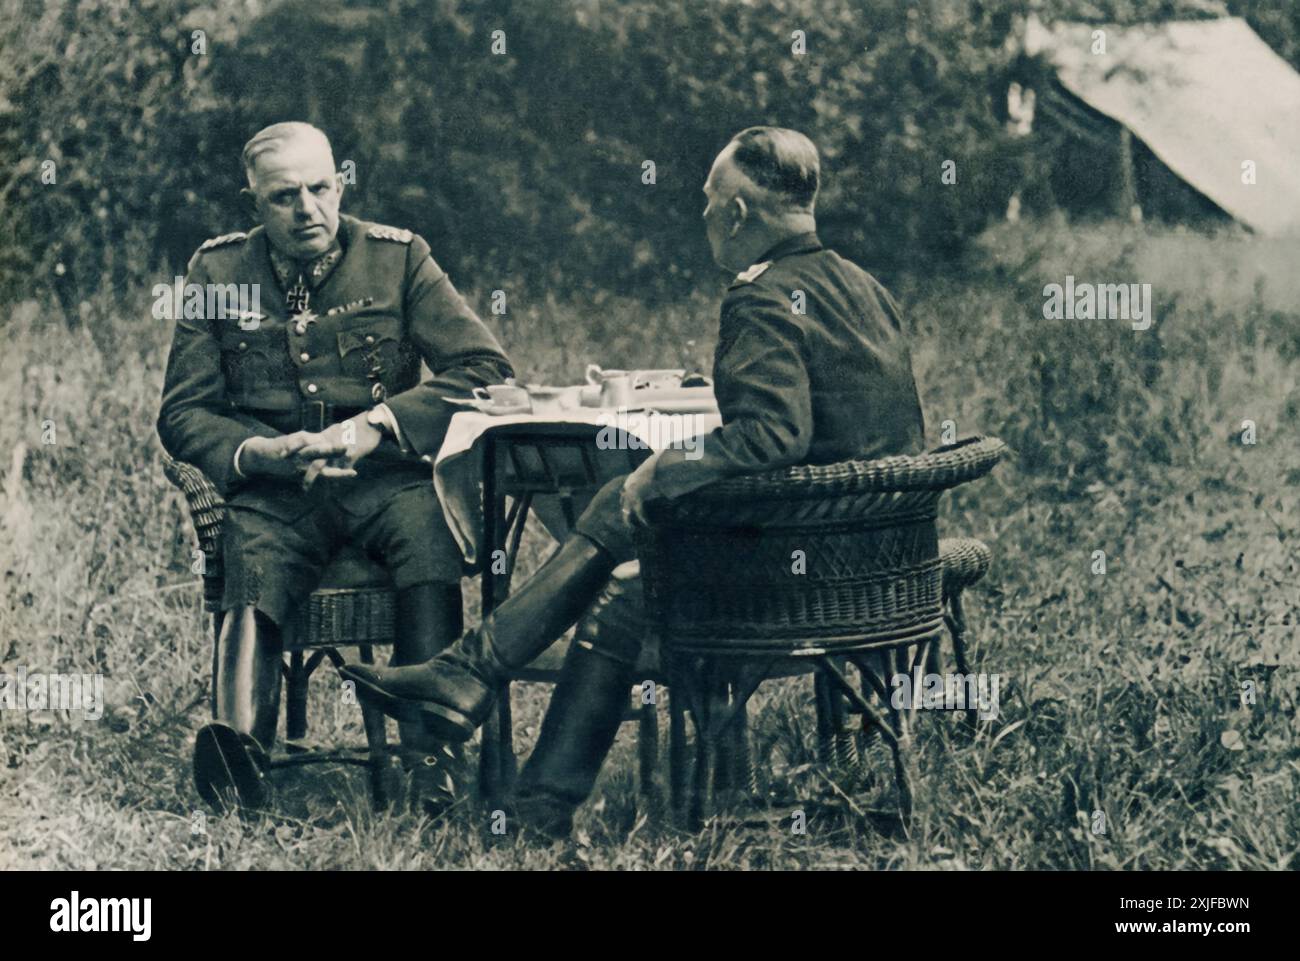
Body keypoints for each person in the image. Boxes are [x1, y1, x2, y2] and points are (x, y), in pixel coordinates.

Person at [342, 126, 926, 837]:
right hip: (885, 556)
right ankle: (474, 688)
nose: (704, 214)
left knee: (624, 581)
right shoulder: (863, 285)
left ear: (738, 215)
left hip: (805, 572)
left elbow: (773, 436)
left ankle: (519, 777)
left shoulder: (762, 298)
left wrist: (658, 470)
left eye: (709, 201)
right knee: (622, 516)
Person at [157, 122, 514, 811]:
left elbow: (484, 370)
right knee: (249, 547)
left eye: (320, 188)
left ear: (340, 183)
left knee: (428, 534)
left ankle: (428, 758)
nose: (307, 209)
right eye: (284, 196)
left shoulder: (400, 259)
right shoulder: (217, 271)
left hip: (387, 481)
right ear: (254, 202)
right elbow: (182, 411)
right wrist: (255, 453)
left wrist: (377, 426)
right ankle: (239, 759)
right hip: (276, 489)